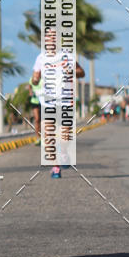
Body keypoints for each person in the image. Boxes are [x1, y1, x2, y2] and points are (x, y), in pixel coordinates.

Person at [31, 30, 84, 178]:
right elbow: (36, 76)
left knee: (65, 137)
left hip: (65, 101)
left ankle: (64, 153)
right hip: (48, 103)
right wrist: (35, 79)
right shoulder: (40, 58)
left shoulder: (67, 56)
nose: (51, 39)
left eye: (54, 37)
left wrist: (72, 70)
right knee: (48, 137)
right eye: (49, 37)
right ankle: (55, 167)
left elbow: (81, 73)